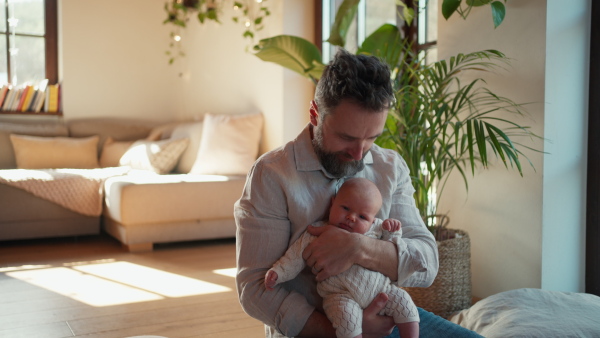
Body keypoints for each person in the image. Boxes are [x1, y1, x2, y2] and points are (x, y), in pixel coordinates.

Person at [235, 48, 481, 337]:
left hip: (390, 319)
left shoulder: (391, 167)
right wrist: (344, 331)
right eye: (346, 137)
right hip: (312, 330)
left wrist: (358, 248)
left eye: (372, 138)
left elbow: (427, 264)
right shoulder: (272, 174)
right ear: (315, 114)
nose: (359, 153)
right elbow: (254, 289)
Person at [264, 177, 419, 338]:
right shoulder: (318, 232)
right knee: (347, 322)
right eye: (345, 208)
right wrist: (279, 272)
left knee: (404, 302)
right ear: (332, 204)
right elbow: (295, 256)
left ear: (373, 220)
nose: (351, 217)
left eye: (362, 217)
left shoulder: (376, 229)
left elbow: (393, 249)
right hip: (340, 295)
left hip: (381, 290)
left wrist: (393, 231)